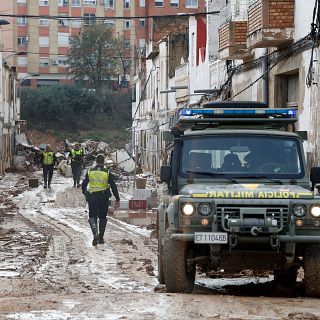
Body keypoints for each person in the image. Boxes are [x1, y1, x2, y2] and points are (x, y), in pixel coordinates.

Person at [81, 154, 120, 246]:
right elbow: (113, 187)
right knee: (102, 217)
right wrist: (117, 198)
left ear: (96, 161)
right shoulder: (107, 172)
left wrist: (85, 193)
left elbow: (83, 185)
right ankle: (101, 238)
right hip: (103, 197)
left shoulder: (90, 171)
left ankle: (95, 234)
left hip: (92, 197)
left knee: (92, 216)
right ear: (103, 162)